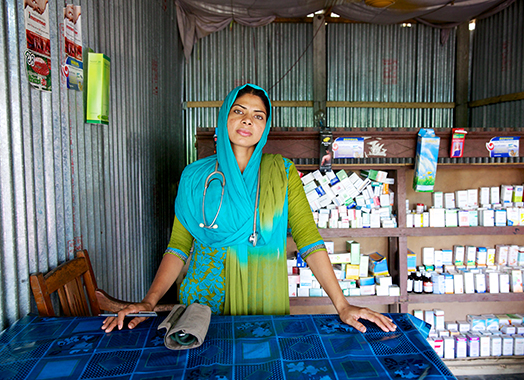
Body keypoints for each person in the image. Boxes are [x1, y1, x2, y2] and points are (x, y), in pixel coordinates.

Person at [102, 84, 396, 334]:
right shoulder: (194, 176)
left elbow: (308, 239)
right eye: (238, 111)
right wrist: (150, 301)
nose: (247, 120)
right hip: (205, 302)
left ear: (265, 126)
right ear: (224, 116)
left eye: (258, 115)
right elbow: (178, 246)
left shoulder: (281, 172)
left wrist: (342, 305)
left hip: (262, 298)